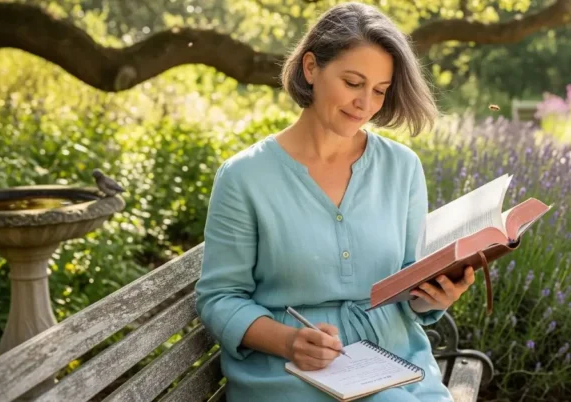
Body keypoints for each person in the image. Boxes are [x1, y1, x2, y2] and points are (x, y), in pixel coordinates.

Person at [195, 2, 476, 401]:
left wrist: (434, 297)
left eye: (379, 91)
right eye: (353, 82)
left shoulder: (402, 167)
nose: (366, 104)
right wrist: (290, 342)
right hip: (292, 368)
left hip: (396, 358)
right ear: (311, 68)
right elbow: (219, 298)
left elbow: (409, 278)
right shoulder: (245, 177)